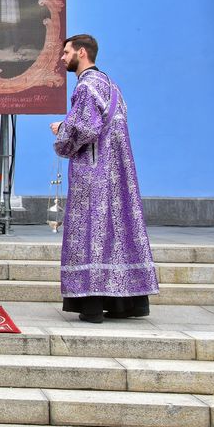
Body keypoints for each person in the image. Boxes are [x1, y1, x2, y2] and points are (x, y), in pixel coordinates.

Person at [51, 35, 158, 323]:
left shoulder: (86, 86)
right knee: (117, 233)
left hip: (93, 171)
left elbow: (85, 128)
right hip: (118, 172)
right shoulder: (112, 86)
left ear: (82, 53)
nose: (62, 58)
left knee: (89, 233)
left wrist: (61, 129)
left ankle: (92, 305)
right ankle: (126, 304)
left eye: (66, 52)